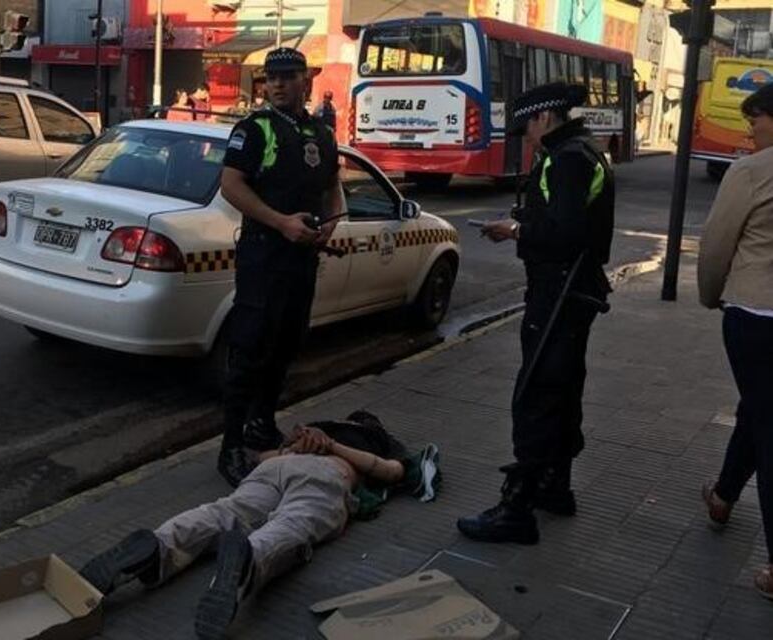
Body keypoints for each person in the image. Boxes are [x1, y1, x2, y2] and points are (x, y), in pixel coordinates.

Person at [79, 411, 439, 640]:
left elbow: (261, 457)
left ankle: (158, 547)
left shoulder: (316, 430)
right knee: (297, 521)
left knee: (223, 511)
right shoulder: (376, 441)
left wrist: (300, 447)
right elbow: (391, 471)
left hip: (275, 468)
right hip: (328, 475)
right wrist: (329, 449)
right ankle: (249, 561)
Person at [457, 82, 614, 544]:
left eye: (526, 126)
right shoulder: (585, 152)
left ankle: (517, 507)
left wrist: (515, 230)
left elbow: (563, 234)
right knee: (562, 391)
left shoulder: (565, 159)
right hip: (575, 291)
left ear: (544, 118)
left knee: (536, 394)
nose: (526, 136)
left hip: (558, 292)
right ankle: (555, 487)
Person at [215, 47, 343, 486]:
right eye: (272, 77)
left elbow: (333, 187)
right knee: (249, 348)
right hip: (263, 255)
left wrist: (331, 223)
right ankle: (231, 445)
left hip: (301, 258)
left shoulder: (320, 132)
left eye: (288, 76)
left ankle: (262, 425)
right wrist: (281, 223)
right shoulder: (254, 129)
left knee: (286, 344)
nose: (278, 84)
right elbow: (231, 186)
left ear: (305, 80)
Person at [698, 82, 773, 600]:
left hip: (756, 317)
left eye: (756, 120)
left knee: (768, 425)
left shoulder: (751, 172)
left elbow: (716, 244)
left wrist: (709, 296)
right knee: (760, 410)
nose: (750, 130)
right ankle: (723, 494)